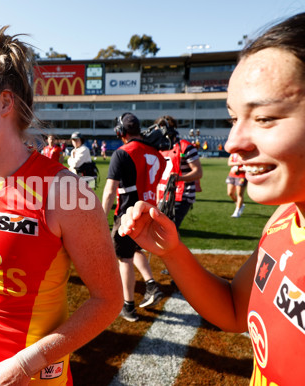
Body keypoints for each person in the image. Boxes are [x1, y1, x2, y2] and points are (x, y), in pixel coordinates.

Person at [0, 25, 122, 386]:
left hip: (28, 376)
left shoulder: (66, 191)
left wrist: (27, 363)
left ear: (4, 102)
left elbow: (108, 300)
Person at [118, 13, 305, 385]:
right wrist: (173, 252)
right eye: (234, 118)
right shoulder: (286, 219)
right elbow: (236, 310)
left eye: (265, 118)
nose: (234, 142)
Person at [101, 113, 165, 322]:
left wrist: (101, 216)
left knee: (124, 258)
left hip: (129, 212)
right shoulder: (156, 153)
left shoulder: (122, 153)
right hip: (151, 210)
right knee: (135, 249)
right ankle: (151, 285)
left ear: (120, 132)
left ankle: (128, 306)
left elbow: (110, 190)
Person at [155, 115, 203, 229]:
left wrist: (179, 178)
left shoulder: (185, 147)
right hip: (164, 194)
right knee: (166, 230)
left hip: (181, 195)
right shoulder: (160, 147)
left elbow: (198, 172)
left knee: (168, 230)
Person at [226, 152, 247, 217]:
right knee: (230, 193)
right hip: (232, 175)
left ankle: (237, 211)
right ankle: (240, 204)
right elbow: (229, 163)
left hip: (241, 176)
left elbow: (247, 166)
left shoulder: (245, 154)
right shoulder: (233, 154)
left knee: (239, 194)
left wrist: (238, 169)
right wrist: (239, 163)